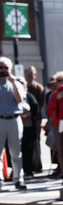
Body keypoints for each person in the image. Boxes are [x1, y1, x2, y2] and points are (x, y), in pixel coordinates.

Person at [0, 57, 28, 190]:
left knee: (16, 152)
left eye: (6, 68)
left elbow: (19, 99)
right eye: (1, 68)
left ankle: (18, 179)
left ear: (10, 69)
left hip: (14, 119)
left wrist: (13, 83)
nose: (3, 70)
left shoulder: (16, 83)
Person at [23, 66, 44, 177]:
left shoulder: (38, 88)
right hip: (23, 120)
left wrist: (31, 114)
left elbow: (39, 105)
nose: (30, 75)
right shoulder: (19, 86)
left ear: (35, 75)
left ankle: (37, 165)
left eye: (32, 74)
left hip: (35, 119)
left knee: (36, 141)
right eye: (28, 73)